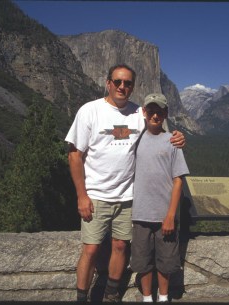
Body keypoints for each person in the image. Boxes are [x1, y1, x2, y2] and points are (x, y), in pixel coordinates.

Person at [65, 64, 185, 302]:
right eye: (117, 81)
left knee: (120, 246)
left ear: (133, 87)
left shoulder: (138, 113)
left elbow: (158, 130)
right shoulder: (90, 111)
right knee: (90, 249)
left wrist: (179, 136)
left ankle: (111, 294)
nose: (122, 86)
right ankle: (81, 298)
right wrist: (81, 195)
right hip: (96, 195)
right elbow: (74, 154)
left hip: (128, 198)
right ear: (108, 83)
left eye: (127, 83)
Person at [131, 93, 190, 303]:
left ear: (166, 113)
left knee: (166, 261)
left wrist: (170, 216)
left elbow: (178, 181)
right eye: (151, 111)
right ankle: (147, 297)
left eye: (160, 111)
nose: (155, 115)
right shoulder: (134, 140)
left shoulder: (172, 141)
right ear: (144, 112)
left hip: (165, 215)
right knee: (143, 261)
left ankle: (163, 297)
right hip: (140, 214)